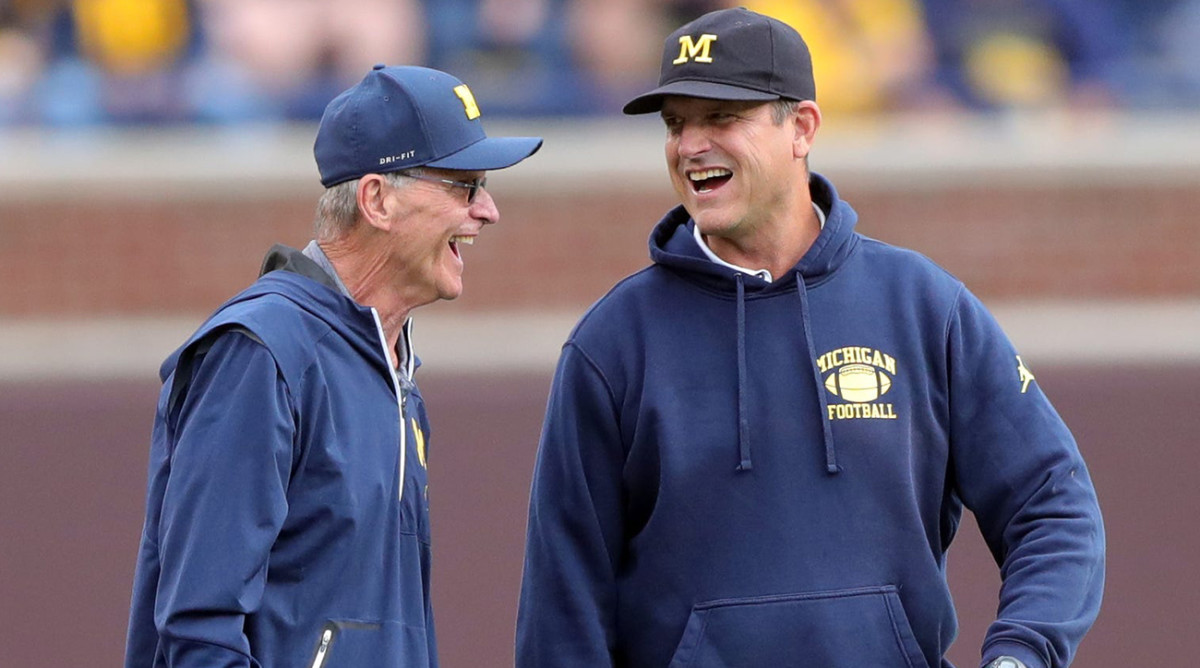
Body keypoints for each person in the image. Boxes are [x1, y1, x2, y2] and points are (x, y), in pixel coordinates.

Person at [516, 8, 1103, 668]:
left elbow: (1053, 504)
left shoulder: (920, 305)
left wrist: (1022, 654)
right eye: (677, 124)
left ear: (802, 127)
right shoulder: (613, 344)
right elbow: (561, 612)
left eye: (721, 118)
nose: (690, 145)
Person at [124, 64, 541, 667]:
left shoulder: (391, 366)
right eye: (465, 185)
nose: (488, 211)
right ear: (376, 200)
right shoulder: (262, 352)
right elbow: (200, 633)